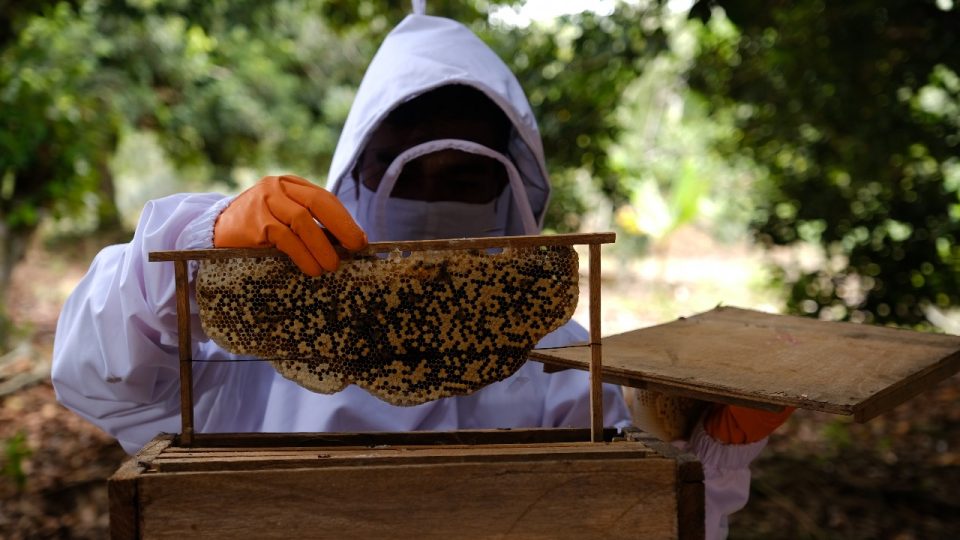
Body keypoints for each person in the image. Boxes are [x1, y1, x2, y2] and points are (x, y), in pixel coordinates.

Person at [52, 6, 790, 539]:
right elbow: (94, 372)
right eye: (405, 172)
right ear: (357, 176)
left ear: (506, 188)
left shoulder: (560, 362)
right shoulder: (266, 342)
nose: (433, 198)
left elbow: (644, 513)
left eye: (463, 178)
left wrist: (713, 451)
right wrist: (193, 249)